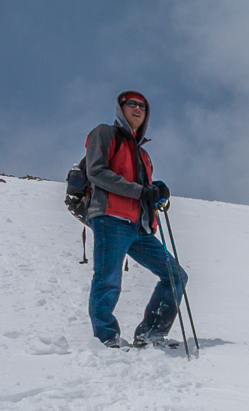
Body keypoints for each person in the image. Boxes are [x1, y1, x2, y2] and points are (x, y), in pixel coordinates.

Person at [82, 90, 184, 348]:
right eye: (131, 104)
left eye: (143, 106)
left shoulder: (143, 155)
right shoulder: (105, 133)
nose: (137, 109)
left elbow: (143, 190)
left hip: (139, 226)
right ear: (120, 108)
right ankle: (106, 338)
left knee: (175, 275)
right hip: (111, 217)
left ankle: (150, 334)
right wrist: (141, 191)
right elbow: (96, 172)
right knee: (108, 278)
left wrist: (155, 191)